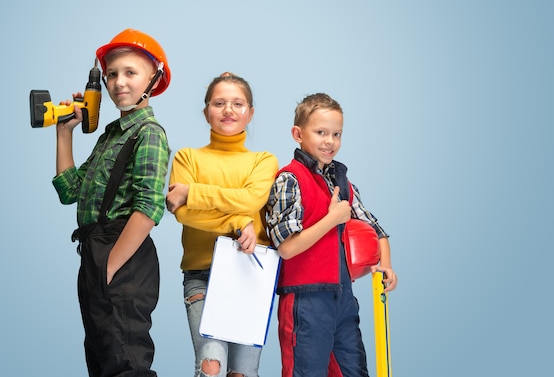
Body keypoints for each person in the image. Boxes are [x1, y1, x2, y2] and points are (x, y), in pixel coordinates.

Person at [52, 28, 172, 377]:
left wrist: (111, 265)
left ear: (153, 79)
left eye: (131, 73)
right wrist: (65, 133)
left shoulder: (149, 133)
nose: (119, 82)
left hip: (122, 252)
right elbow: (69, 189)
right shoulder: (110, 136)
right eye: (112, 74)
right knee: (102, 359)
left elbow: (149, 206)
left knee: (126, 362)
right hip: (95, 250)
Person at [265, 93, 397, 377]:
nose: (330, 141)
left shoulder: (343, 183)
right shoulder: (289, 179)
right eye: (321, 132)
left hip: (343, 299)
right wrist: (332, 219)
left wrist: (385, 264)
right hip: (305, 300)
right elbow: (286, 248)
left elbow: (376, 230)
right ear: (298, 134)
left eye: (336, 134)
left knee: (354, 371)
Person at [166, 72, 279, 377]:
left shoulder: (263, 160)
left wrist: (193, 191)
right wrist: (239, 221)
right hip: (202, 274)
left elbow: (252, 200)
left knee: (242, 373)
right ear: (206, 112)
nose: (228, 110)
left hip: (251, 272)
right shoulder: (187, 158)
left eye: (238, 103)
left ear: (250, 113)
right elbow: (183, 213)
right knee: (211, 365)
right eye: (219, 103)